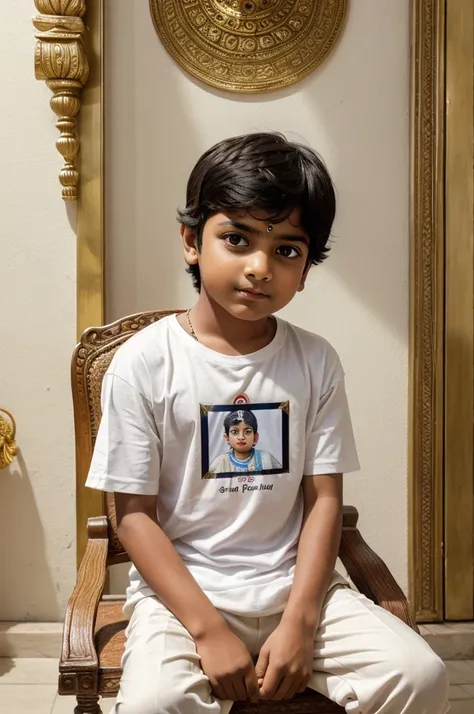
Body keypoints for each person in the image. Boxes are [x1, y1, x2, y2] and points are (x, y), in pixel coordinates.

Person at [86, 132, 448, 714]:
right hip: (183, 598)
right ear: (191, 242)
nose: (259, 267)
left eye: (286, 250)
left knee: (420, 675)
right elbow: (132, 517)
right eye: (237, 238)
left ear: (305, 269)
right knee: (155, 702)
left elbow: (324, 500)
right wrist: (206, 629)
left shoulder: (315, 361)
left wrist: (302, 620)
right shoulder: (143, 363)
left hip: (301, 589)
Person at [209, 409, 282, 474]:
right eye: (234, 431)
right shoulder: (220, 463)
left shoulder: (266, 459)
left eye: (247, 431)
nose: (241, 437)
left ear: (255, 438)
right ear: (227, 438)